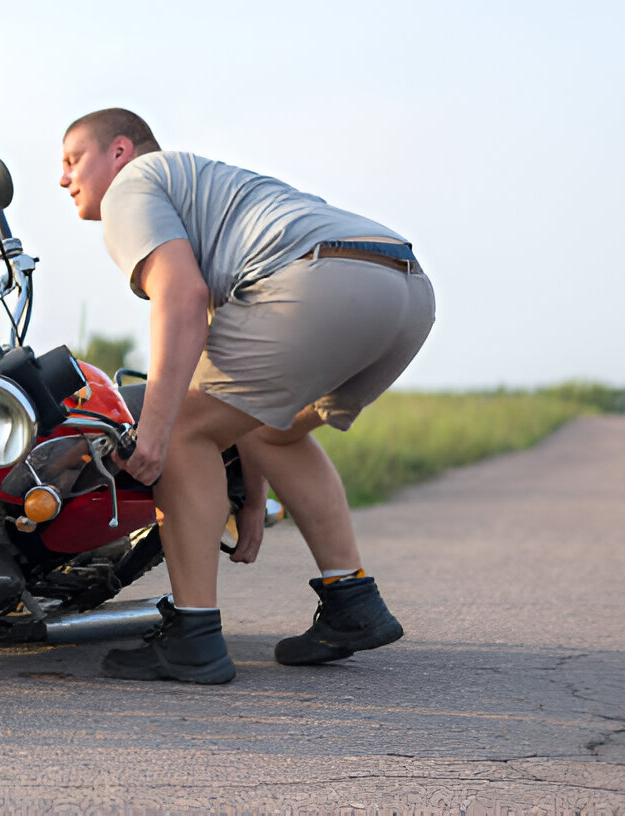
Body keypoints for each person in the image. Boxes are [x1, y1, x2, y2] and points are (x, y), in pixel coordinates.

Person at [59, 108, 435, 684]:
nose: (64, 179)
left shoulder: (134, 184)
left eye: (71, 160)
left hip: (317, 283)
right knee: (271, 429)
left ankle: (193, 637)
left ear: (119, 152)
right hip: (401, 288)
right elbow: (242, 402)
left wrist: (155, 434)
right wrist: (251, 501)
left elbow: (181, 298)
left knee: (181, 425)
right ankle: (352, 600)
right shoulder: (207, 195)